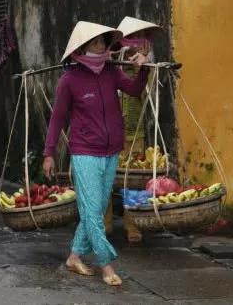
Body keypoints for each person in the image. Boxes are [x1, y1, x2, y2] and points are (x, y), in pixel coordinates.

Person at [42, 21, 148, 287]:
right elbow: (57, 119)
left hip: (111, 150)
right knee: (92, 212)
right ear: (83, 47)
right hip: (84, 151)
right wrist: (49, 153)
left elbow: (134, 90)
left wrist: (142, 70)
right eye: (95, 43)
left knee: (96, 208)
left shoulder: (111, 72)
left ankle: (74, 256)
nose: (100, 47)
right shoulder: (70, 79)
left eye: (103, 42)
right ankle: (107, 264)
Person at [112, 16, 163, 243]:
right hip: (113, 129)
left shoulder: (147, 61)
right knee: (109, 179)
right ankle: (104, 222)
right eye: (138, 39)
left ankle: (132, 224)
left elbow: (146, 91)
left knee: (133, 181)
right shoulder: (114, 57)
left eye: (145, 40)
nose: (142, 44)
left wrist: (143, 65)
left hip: (136, 130)